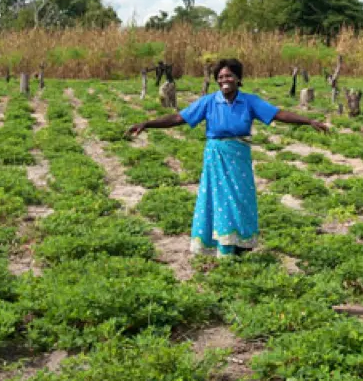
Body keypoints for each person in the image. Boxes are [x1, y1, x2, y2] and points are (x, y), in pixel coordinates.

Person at [127, 58, 328, 257]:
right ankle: (220, 244)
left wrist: (308, 121)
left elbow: (278, 114)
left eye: (229, 76)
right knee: (219, 198)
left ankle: (240, 244)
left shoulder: (249, 101)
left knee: (241, 198)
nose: (225, 80)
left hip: (239, 157)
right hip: (216, 157)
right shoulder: (209, 102)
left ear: (238, 78)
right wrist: (148, 124)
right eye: (221, 76)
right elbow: (179, 118)